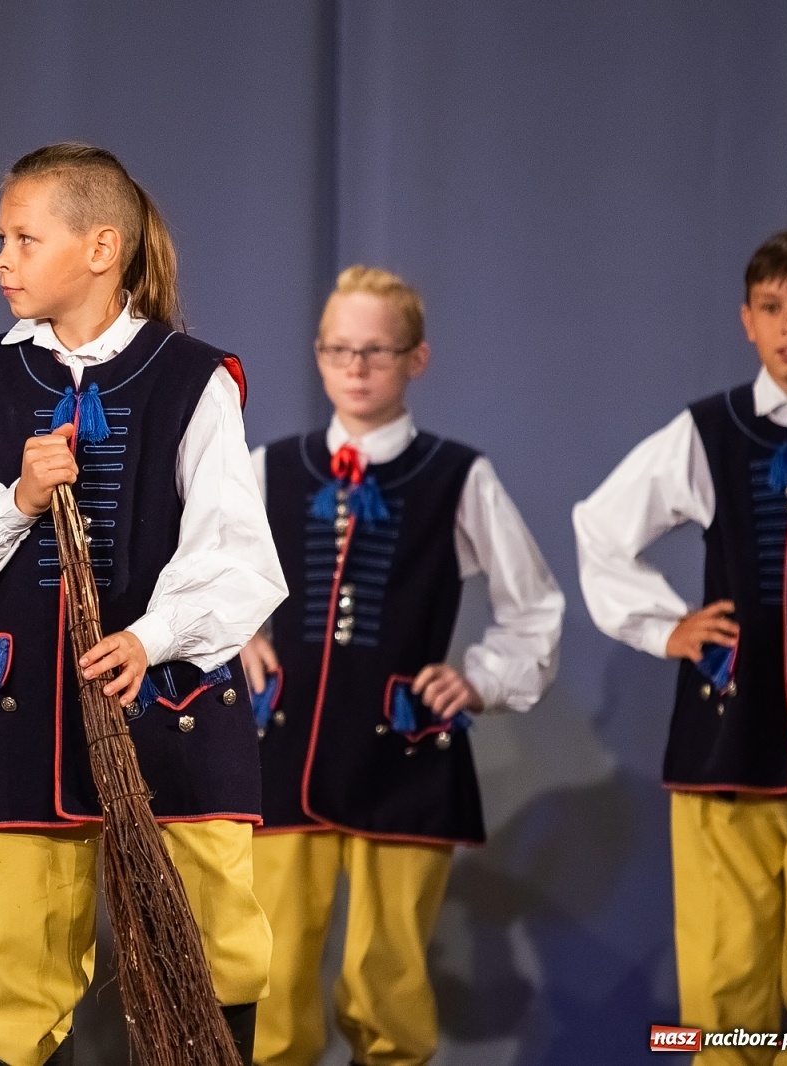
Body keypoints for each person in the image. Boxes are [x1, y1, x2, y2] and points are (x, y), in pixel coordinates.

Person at [0, 142, 286, 1066]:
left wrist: (149, 636)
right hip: (24, 719)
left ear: (102, 247)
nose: (1, 258)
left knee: (215, 947)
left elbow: (236, 555)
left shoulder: (193, 378)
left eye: (25, 238)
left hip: (171, 714)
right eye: (0, 238)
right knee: (17, 968)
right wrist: (18, 500)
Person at [241, 266, 564, 1066]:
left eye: (376, 353)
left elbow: (535, 609)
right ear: (318, 356)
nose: (355, 369)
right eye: (339, 350)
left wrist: (481, 678)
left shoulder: (458, 476)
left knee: (385, 975)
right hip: (284, 753)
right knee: (270, 975)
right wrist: (238, 635)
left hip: (405, 753)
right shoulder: (267, 468)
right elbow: (203, 580)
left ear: (416, 360)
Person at [574, 226, 787, 1063]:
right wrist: (663, 624)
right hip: (727, 746)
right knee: (726, 988)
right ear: (747, 320)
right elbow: (602, 528)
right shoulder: (712, 430)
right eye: (775, 309)